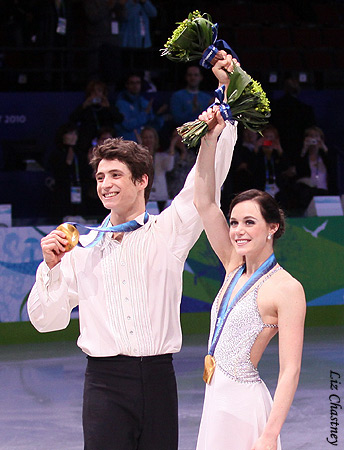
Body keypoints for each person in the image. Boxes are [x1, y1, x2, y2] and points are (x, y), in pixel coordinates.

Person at [27, 54, 239, 450]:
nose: (105, 184)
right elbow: (46, 322)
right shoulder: (82, 248)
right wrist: (51, 268)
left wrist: (225, 108)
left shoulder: (168, 232)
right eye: (100, 177)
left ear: (142, 180)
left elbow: (204, 182)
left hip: (159, 379)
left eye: (115, 175)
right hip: (104, 385)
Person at [193, 106, 306, 449]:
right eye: (234, 222)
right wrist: (209, 138)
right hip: (214, 402)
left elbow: (290, 370)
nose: (238, 231)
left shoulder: (286, 288)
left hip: (244, 407)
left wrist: (269, 435)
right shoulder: (232, 265)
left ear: (272, 227)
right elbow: (203, 203)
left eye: (249, 222)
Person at [115, 72, 164, 141]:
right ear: (126, 85)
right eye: (132, 83)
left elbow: (152, 125)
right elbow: (128, 125)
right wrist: (145, 113)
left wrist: (158, 115)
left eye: (138, 83)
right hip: (128, 143)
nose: (135, 86)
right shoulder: (120, 104)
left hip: (145, 142)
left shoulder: (144, 102)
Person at [140, 126, 174, 212]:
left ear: (155, 139)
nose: (148, 140)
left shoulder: (161, 157)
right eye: (145, 137)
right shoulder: (137, 158)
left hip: (161, 196)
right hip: (145, 197)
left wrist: (172, 145)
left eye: (151, 137)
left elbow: (169, 167)